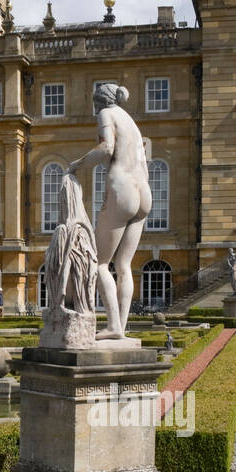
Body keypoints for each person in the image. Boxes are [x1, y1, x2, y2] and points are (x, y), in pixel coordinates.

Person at [67, 82, 151, 340]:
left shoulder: (106, 114)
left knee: (100, 262)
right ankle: (121, 329)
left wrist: (78, 165)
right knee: (123, 264)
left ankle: (114, 326)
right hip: (144, 193)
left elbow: (107, 147)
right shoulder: (132, 123)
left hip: (122, 188)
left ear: (99, 101)